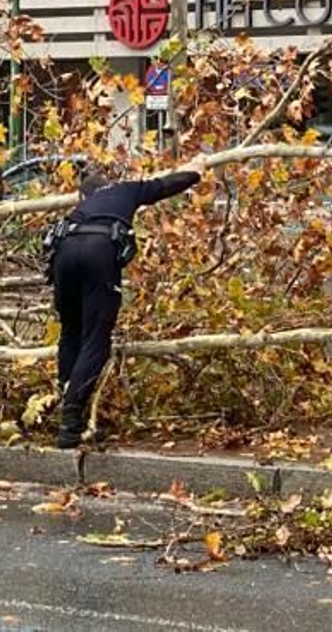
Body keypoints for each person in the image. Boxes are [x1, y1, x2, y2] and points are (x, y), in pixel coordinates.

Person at [47, 158, 204, 449]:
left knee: (71, 330)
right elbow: (163, 186)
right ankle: (70, 420)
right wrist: (196, 172)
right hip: (99, 251)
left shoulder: (80, 209)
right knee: (96, 338)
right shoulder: (125, 190)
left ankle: (66, 402)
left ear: (84, 196)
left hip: (64, 251)